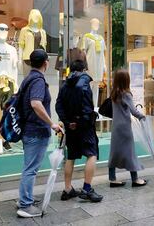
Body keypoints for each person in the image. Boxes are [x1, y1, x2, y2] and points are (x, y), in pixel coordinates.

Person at [17, 50, 63, 218]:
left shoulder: (28, 78)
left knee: (29, 167)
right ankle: (25, 205)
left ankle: (24, 198)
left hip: (29, 130)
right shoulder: (37, 80)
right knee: (31, 169)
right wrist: (52, 123)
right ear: (46, 63)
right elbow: (36, 103)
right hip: (36, 131)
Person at [56, 60, 103, 203]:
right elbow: (87, 107)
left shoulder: (64, 85)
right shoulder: (83, 84)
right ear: (83, 69)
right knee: (92, 153)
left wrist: (68, 122)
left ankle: (67, 189)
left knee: (71, 156)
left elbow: (59, 106)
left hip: (70, 127)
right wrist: (81, 122)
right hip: (84, 126)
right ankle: (87, 189)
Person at [108, 69, 148, 187]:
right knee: (130, 153)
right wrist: (143, 117)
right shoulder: (126, 94)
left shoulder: (114, 93)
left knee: (114, 153)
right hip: (125, 127)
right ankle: (135, 179)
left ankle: (112, 179)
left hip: (116, 127)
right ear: (126, 80)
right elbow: (134, 111)